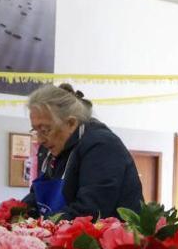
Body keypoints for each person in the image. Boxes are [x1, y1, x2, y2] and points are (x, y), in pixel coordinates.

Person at [22, 83, 143, 219]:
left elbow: (90, 211)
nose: (40, 140)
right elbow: (36, 197)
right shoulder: (51, 149)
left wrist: (41, 226)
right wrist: (15, 213)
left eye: (45, 130)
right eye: (35, 130)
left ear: (71, 123)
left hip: (108, 231)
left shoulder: (101, 146)